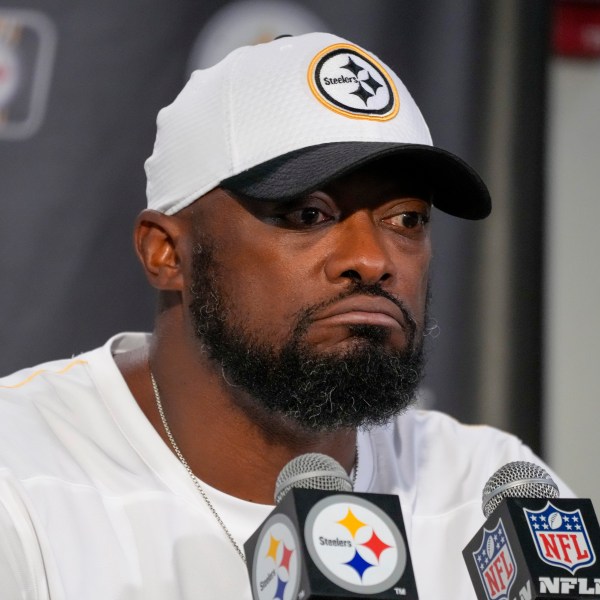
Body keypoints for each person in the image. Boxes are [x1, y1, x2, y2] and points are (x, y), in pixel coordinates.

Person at [0, 32, 569, 599]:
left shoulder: (489, 491)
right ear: (167, 253)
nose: (372, 261)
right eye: (307, 213)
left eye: (406, 219)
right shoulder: (21, 474)